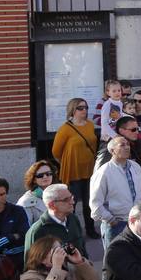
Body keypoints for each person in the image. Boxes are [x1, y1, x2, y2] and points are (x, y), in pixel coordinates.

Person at [51, 99, 98, 235]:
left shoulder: (89, 125)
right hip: (73, 171)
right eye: (80, 108)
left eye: (86, 107)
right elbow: (56, 151)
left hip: (89, 169)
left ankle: (90, 229)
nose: (84, 110)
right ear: (72, 110)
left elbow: (93, 144)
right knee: (71, 203)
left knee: (89, 202)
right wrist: (66, 162)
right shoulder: (65, 128)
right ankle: (71, 230)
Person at [89, 136, 141, 241]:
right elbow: (95, 203)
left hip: (136, 221)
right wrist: (111, 220)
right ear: (112, 151)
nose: (127, 147)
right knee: (116, 256)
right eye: (122, 145)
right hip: (116, 225)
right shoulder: (103, 172)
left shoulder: (135, 167)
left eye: (128, 144)